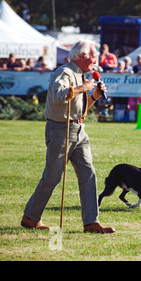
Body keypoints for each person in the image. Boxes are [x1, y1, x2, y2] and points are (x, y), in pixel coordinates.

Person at [21, 40, 115, 234]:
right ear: (82, 57)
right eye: (93, 56)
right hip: (60, 131)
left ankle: (91, 222)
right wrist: (83, 88)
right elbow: (58, 95)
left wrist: (95, 95)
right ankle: (30, 217)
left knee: (89, 174)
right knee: (52, 177)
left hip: (79, 130)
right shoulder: (65, 72)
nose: (96, 60)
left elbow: (78, 111)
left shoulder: (81, 75)